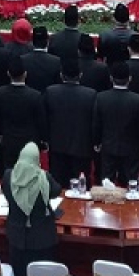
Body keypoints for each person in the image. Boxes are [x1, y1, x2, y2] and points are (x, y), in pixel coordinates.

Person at [4, 142, 62, 276]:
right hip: (42, 240)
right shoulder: (44, 178)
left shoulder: (8, 176)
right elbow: (57, 191)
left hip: (17, 239)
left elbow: (6, 192)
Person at [44, 58, 97, 187]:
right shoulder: (91, 94)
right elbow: (94, 122)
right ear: (80, 75)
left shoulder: (50, 92)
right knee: (81, 187)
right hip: (82, 147)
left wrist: (45, 139)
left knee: (57, 185)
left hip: (57, 146)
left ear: (61, 75)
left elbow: (44, 119)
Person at [95, 61, 139, 184]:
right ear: (130, 79)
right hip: (131, 147)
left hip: (108, 145)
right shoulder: (137, 99)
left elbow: (97, 123)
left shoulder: (101, 97)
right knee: (131, 182)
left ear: (111, 78)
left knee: (107, 182)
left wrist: (96, 142)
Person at [0, 55, 47, 171]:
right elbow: (41, 121)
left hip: (8, 140)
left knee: (10, 171)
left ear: (8, 74)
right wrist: (43, 140)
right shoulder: (35, 95)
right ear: (25, 74)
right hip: (29, 141)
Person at [21, 26, 61, 94]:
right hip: (48, 98)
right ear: (47, 41)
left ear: (32, 41)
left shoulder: (23, 60)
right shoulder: (56, 61)